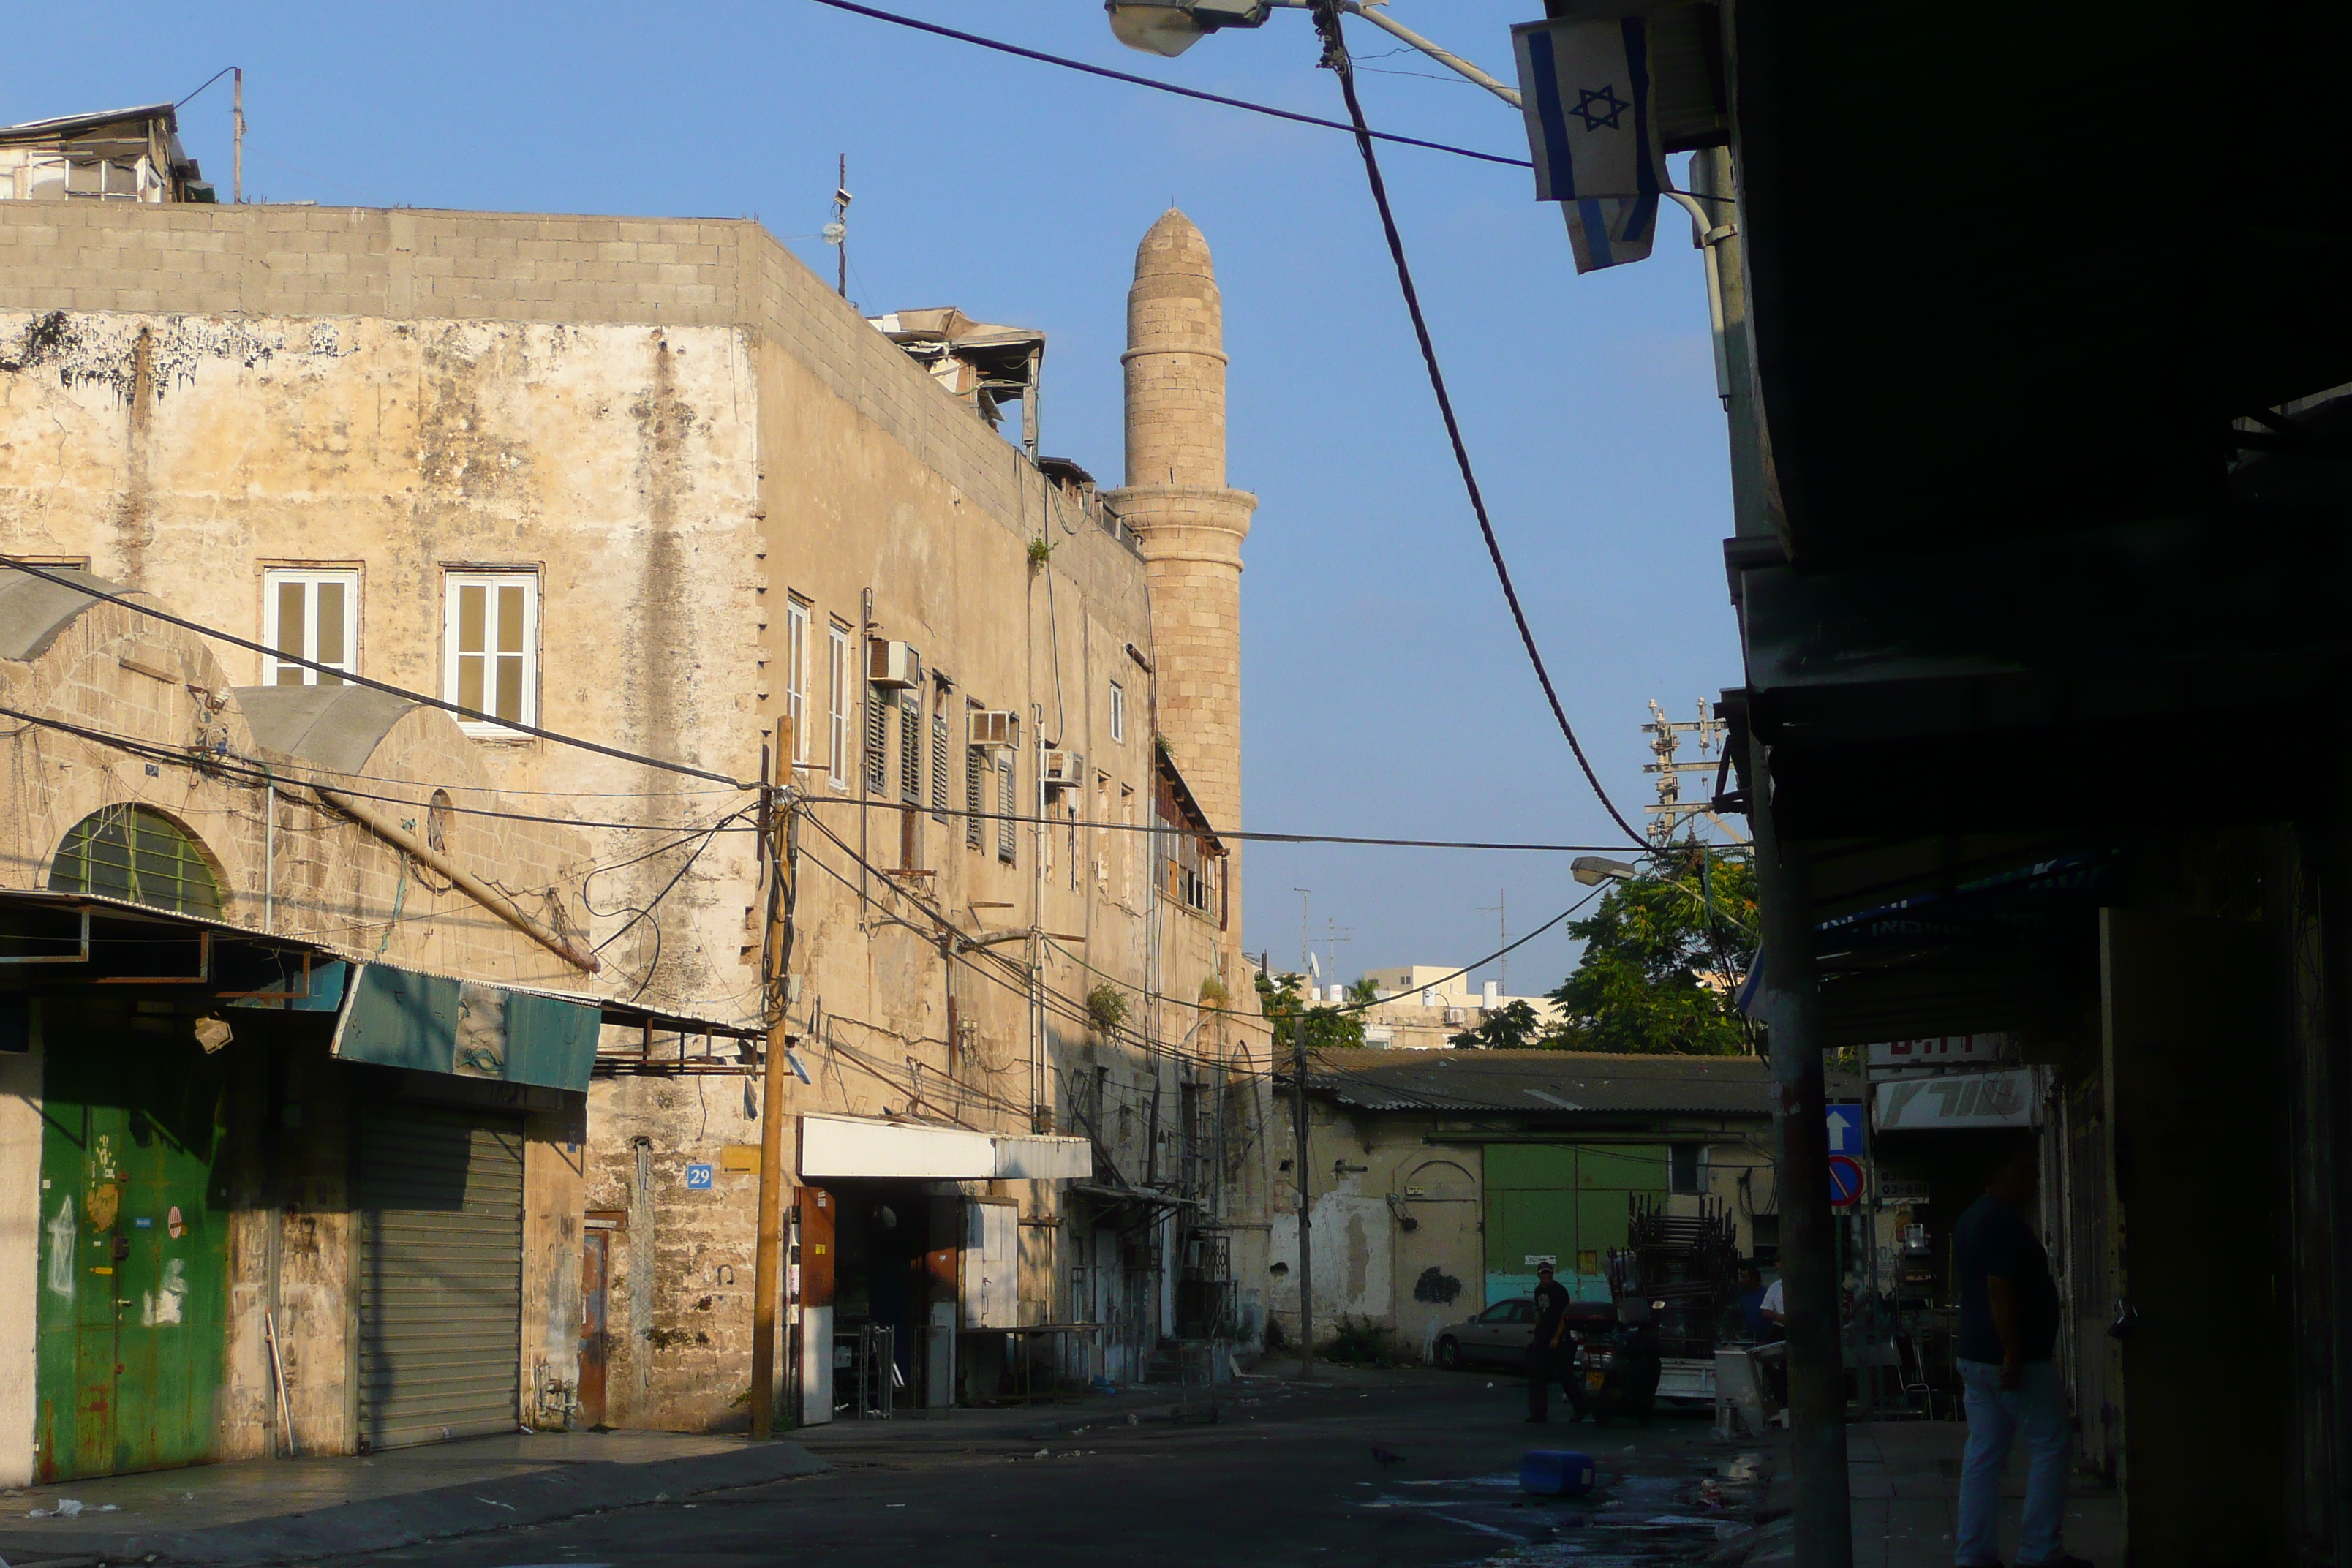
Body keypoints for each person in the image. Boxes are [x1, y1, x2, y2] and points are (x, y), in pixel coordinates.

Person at [1953, 1141, 2088, 1568]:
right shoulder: (2002, 1222)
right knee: (2051, 1443)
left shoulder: (1972, 1218)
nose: (2035, 1178)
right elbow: (1999, 1286)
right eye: (2027, 1170)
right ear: (2003, 1171)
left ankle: (1973, 1554)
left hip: (1975, 1355)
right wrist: (2013, 1351)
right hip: (2014, 1360)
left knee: (1984, 1455)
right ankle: (2040, 1551)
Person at [1523, 1260, 1579, 1422]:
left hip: (1558, 1337)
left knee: (1565, 1375)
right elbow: (1540, 1312)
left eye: (1548, 1274)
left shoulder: (1559, 1291)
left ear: (1552, 1274)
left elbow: (1564, 1315)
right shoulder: (1538, 1290)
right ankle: (1538, 1413)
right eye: (1543, 1274)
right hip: (1542, 1337)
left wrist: (1557, 1337)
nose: (1545, 1277)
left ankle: (1580, 1406)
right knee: (1537, 1374)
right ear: (1539, 1276)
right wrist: (1537, 1330)